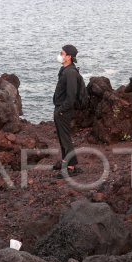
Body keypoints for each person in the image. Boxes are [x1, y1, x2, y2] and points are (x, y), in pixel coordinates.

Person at [52, 44, 82, 176]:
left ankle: (70, 168)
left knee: (65, 140)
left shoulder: (70, 72)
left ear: (69, 57)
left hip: (64, 110)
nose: (60, 55)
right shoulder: (65, 70)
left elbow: (71, 97)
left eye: (62, 53)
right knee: (63, 138)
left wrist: (61, 110)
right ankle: (68, 162)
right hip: (60, 108)